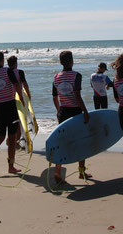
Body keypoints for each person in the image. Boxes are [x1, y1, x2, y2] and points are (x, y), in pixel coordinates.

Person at [52, 51, 90, 184]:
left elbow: (54, 97)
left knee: (62, 142)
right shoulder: (77, 76)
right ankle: (81, 172)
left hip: (63, 112)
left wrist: (58, 110)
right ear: (72, 61)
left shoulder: (56, 77)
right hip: (75, 112)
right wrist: (85, 111)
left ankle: (57, 172)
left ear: (61, 62)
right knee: (81, 141)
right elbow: (77, 96)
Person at [7, 55, 32, 146]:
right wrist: (28, 97)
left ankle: (10, 140)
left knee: (13, 121)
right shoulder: (20, 72)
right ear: (16, 63)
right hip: (18, 98)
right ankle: (15, 143)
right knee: (20, 121)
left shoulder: (7, 73)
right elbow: (25, 85)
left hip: (9, 99)